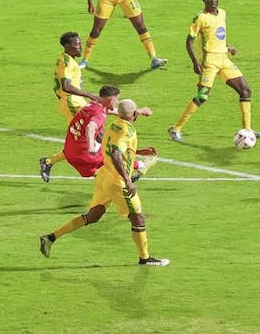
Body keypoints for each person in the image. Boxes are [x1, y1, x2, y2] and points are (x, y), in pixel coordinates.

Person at [39, 99, 169, 266]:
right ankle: (145, 258)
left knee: (92, 216)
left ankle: (50, 238)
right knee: (138, 218)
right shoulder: (127, 131)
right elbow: (115, 153)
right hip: (117, 182)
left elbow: (110, 147)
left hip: (103, 176)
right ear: (134, 115)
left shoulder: (113, 125)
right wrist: (128, 181)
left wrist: (137, 151)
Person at [167, 0, 260, 144]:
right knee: (202, 96)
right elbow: (189, 42)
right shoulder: (200, 18)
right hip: (209, 63)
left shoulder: (222, 13)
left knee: (245, 90)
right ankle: (175, 129)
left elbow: (216, 36)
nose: (212, 0)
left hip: (224, 60)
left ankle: (247, 130)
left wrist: (228, 46)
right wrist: (195, 62)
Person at [39, 85, 159, 182]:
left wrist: (136, 112)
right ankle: (141, 165)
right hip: (83, 154)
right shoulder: (100, 115)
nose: (117, 102)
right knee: (109, 160)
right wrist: (91, 146)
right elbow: (91, 127)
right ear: (110, 100)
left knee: (103, 151)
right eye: (117, 99)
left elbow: (114, 111)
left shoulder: (95, 102)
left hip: (71, 142)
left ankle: (48, 161)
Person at [53, 31, 101, 121]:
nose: (81, 48)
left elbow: (56, 88)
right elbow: (66, 86)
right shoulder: (67, 61)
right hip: (73, 102)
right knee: (90, 126)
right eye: (77, 45)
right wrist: (90, 95)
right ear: (67, 46)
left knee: (93, 125)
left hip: (74, 100)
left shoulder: (65, 59)